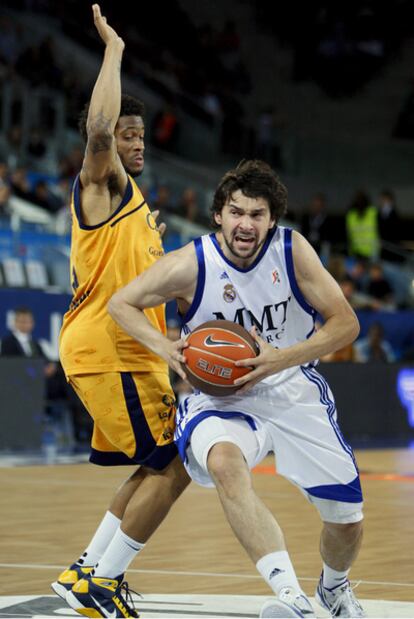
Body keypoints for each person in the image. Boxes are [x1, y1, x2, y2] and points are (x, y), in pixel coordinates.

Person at [109, 160, 366, 618]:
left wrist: (279, 359)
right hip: (221, 398)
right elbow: (120, 303)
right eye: (236, 212)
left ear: (272, 221)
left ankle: (333, 587)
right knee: (226, 463)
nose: (245, 223)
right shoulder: (191, 263)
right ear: (218, 215)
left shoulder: (292, 252)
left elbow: (346, 324)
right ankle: (292, 599)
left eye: (257, 214)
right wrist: (166, 348)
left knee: (346, 524)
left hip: (290, 387)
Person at [53, 6, 190, 618]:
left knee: (160, 463)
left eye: (140, 135)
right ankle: (100, 581)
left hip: (127, 350)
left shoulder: (136, 210)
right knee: (178, 458)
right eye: (126, 134)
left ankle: (88, 572)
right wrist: (113, 52)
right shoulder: (100, 184)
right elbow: (100, 134)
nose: (132, 143)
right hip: (110, 349)